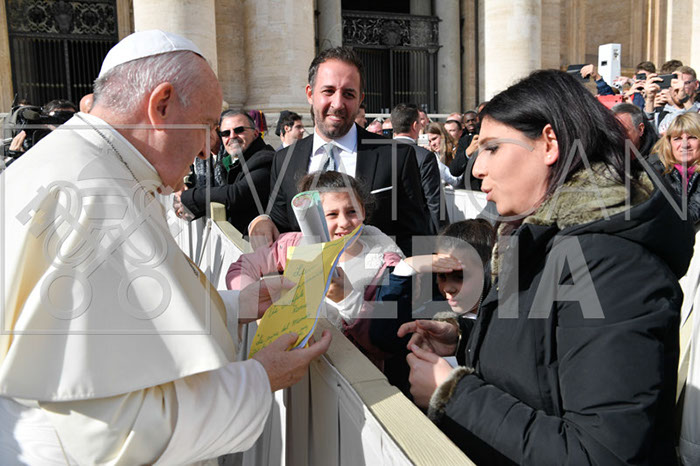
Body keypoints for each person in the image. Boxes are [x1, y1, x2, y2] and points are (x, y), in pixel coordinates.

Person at [0, 30, 331, 464]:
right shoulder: (96, 199)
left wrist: (236, 305)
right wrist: (258, 379)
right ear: (161, 105)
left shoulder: (86, 164)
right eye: (207, 126)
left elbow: (132, 314)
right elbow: (107, 430)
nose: (207, 149)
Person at [399, 69, 695, 465]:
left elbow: (600, 454)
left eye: (492, 148)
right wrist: (465, 339)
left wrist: (454, 393)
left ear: (549, 144)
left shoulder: (613, 263)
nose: (477, 169)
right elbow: (546, 357)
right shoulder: (540, 235)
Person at [249, 46, 432, 255]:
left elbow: (415, 238)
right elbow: (281, 226)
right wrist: (261, 220)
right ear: (310, 93)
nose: (337, 104)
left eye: (348, 94)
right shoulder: (285, 159)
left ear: (360, 99)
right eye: (328, 91)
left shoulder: (396, 157)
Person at [227, 171, 403, 361]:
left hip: (346, 372)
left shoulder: (383, 263)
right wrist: (256, 305)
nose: (344, 223)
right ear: (313, 217)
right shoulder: (294, 245)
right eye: (332, 214)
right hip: (292, 366)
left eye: (352, 212)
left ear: (363, 211)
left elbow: (386, 337)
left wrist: (347, 299)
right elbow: (242, 267)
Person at [175, 110, 275, 235]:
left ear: (255, 133)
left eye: (239, 130)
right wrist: (188, 207)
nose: (232, 136)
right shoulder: (237, 159)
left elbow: (236, 194)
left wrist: (189, 197)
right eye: (226, 133)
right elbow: (221, 197)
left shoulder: (264, 157)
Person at [392, 103, 443, 231]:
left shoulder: (380, 153)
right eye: (420, 123)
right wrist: (443, 233)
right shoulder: (424, 156)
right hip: (418, 230)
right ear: (415, 126)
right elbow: (434, 200)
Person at [650, 111, 700, 224]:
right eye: (677, 138)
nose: (685, 144)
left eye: (692, 137)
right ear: (669, 143)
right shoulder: (655, 169)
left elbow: (692, 214)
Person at [426, 122, 462, 188]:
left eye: (434, 139)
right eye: (429, 141)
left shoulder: (457, 150)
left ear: (443, 136)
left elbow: (456, 181)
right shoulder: (434, 154)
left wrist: (435, 161)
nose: (432, 144)